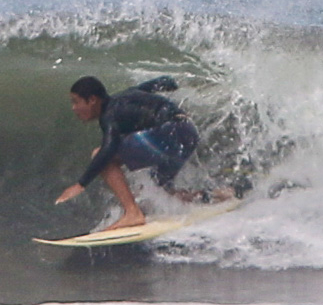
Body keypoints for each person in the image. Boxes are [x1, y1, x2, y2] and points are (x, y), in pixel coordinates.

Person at [54, 75, 225, 230]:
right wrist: (182, 85)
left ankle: (132, 213)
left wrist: (80, 184)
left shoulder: (109, 115)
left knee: (100, 155)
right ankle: (215, 196)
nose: (74, 108)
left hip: (170, 133)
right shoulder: (130, 94)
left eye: (76, 102)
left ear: (92, 100)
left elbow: (109, 148)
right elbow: (165, 81)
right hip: (188, 132)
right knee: (161, 188)